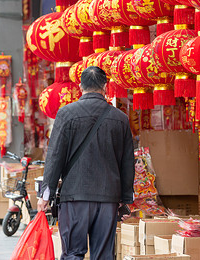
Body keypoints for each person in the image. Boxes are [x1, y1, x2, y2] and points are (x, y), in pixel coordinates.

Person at [37, 66, 135, 259]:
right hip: (108, 197)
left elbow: (55, 156)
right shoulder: (120, 119)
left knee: (73, 252)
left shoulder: (66, 114)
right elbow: (127, 162)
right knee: (103, 255)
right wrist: (126, 199)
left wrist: (45, 194)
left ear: (80, 87)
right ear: (105, 87)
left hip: (75, 196)